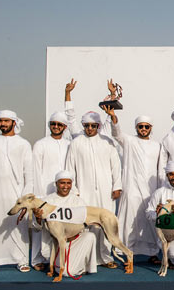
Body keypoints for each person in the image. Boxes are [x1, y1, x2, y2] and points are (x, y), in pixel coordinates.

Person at [103, 105, 165, 264]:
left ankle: (152, 253)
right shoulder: (129, 141)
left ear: (150, 128)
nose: (143, 129)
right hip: (131, 189)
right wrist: (113, 117)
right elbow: (116, 133)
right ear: (136, 128)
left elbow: (160, 170)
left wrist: (160, 191)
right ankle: (125, 252)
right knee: (129, 222)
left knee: (150, 223)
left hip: (150, 191)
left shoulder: (157, 145)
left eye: (146, 127)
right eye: (140, 127)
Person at [65, 110, 122, 269]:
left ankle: (106, 257)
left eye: (93, 125)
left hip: (105, 190)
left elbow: (115, 165)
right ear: (83, 126)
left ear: (98, 126)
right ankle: (84, 258)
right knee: (85, 224)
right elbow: (70, 168)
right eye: (87, 125)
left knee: (106, 223)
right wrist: (74, 190)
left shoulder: (107, 141)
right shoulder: (76, 143)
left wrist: (117, 185)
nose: (90, 128)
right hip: (84, 190)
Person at [0, 110, 33, 274]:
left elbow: (29, 173)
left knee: (18, 225)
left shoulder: (23, 144)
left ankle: (21, 260)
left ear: (14, 123)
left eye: (6, 121)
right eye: (1, 121)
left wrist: (26, 197)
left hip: (15, 193)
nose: (3, 124)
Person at [31, 170, 98, 278]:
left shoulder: (78, 201)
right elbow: (36, 228)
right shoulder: (46, 201)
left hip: (74, 241)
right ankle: (69, 265)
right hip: (56, 244)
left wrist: (73, 233)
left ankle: (82, 265)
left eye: (68, 183)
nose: (65, 186)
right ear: (56, 183)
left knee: (90, 236)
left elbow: (84, 226)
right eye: (62, 183)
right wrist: (38, 219)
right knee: (67, 273)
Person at [31, 111, 72, 271]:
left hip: (63, 192)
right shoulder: (41, 144)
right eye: (53, 124)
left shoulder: (69, 144)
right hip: (44, 192)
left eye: (59, 124)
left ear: (64, 127)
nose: (56, 127)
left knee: (60, 226)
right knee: (39, 225)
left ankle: (58, 259)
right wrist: (38, 195)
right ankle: (36, 259)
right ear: (50, 126)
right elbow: (35, 169)